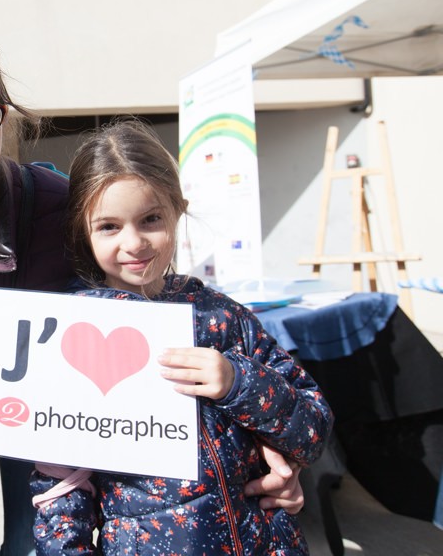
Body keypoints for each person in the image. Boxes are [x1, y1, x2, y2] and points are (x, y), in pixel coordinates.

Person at [0, 27, 308, 556]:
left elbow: (139, 308)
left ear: (3, 112)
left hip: (51, 426)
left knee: (31, 543)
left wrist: (264, 442)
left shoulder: (67, 210)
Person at [29, 119, 334, 555]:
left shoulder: (223, 317)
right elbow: (59, 484)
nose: (134, 242)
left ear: (178, 209)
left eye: (151, 219)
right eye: (109, 226)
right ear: (83, 229)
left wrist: (238, 382)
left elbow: (314, 427)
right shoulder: (70, 331)